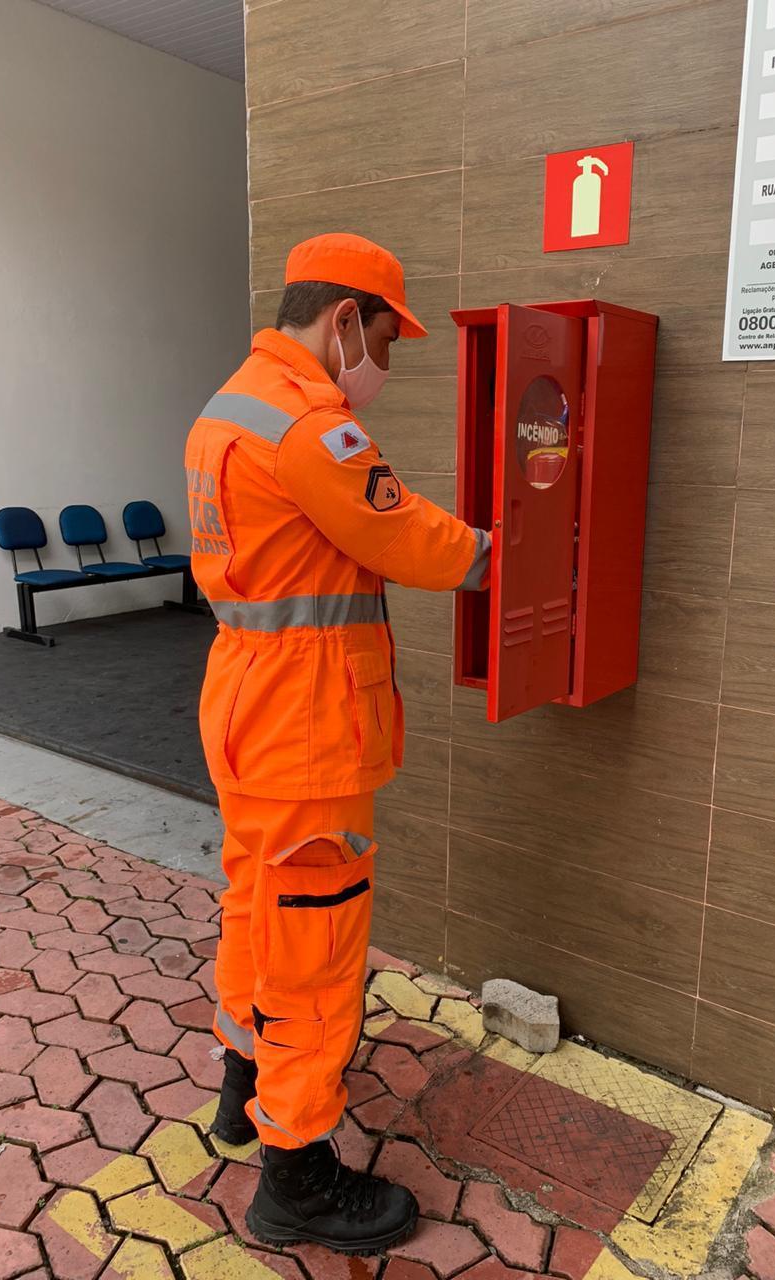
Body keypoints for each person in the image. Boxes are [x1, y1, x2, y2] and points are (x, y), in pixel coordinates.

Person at [184, 233, 491, 1256]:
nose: (383, 366)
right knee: (316, 938)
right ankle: (296, 1171)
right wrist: (501, 552)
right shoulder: (307, 424)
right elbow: (403, 535)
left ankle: (242, 1086)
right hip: (306, 722)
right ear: (343, 317)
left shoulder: (229, 402)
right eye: (384, 340)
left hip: (245, 700)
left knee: (256, 903)